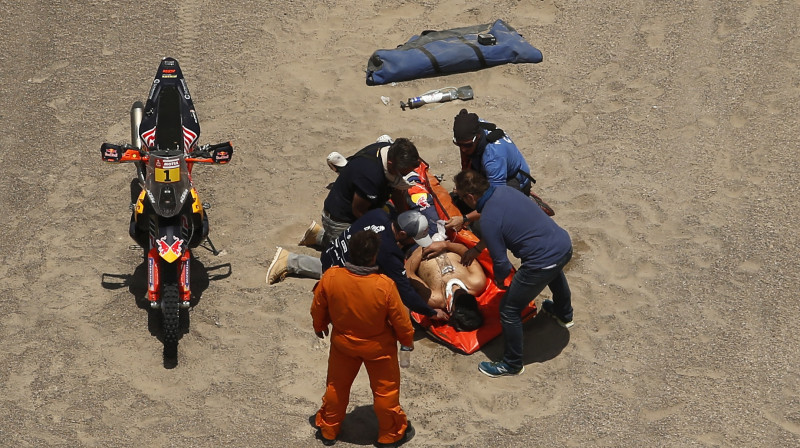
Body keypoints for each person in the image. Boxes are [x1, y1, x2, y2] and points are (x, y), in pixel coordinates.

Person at [430, 170, 574, 378]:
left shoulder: (488, 219)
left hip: (541, 262)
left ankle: (512, 363)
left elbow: (501, 263)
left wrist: (500, 281)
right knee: (553, 271)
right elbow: (496, 222)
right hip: (562, 245)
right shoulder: (505, 191)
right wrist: (477, 249)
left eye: (461, 197)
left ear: (470, 197)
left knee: (508, 310)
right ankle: (563, 313)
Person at [311, 230, 416, 447]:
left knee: (336, 387)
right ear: (374, 256)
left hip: (343, 344)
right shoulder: (384, 286)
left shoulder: (331, 277)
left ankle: (329, 429)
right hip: (378, 348)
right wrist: (407, 340)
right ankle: (390, 434)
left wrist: (319, 326)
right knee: (386, 390)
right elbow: (401, 320)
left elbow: (318, 307)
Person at [267, 209, 449, 321]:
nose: (413, 243)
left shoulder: (378, 214)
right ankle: (290, 260)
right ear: (402, 233)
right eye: (412, 239)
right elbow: (405, 291)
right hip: (334, 268)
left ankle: (318, 235)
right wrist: (431, 312)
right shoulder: (388, 251)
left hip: (334, 248)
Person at [445, 109, 552, 242]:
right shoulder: (472, 129)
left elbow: (496, 203)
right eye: (458, 144)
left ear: (478, 137)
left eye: (467, 145)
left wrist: (465, 219)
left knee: (484, 224)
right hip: (488, 172)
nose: (463, 149)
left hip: (511, 180)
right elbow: (467, 154)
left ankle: (526, 201)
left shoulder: (493, 157)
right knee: (456, 199)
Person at [300, 137, 422, 248]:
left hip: (370, 203)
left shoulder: (389, 150)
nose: (404, 177)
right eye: (403, 173)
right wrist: (384, 233)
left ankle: (320, 236)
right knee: (363, 258)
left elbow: (396, 191)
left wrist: (404, 220)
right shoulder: (371, 175)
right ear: (390, 164)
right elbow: (359, 211)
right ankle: (291, 259)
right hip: (342, 219)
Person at [404, 240, 486, 312]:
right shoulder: (477, 282)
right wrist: (444, 244)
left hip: (416, 245)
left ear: (451, 311)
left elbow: (408, 272)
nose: (464, 303)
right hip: (441, 236)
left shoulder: (434, 298)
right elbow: (466, 252)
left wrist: (423, 248)